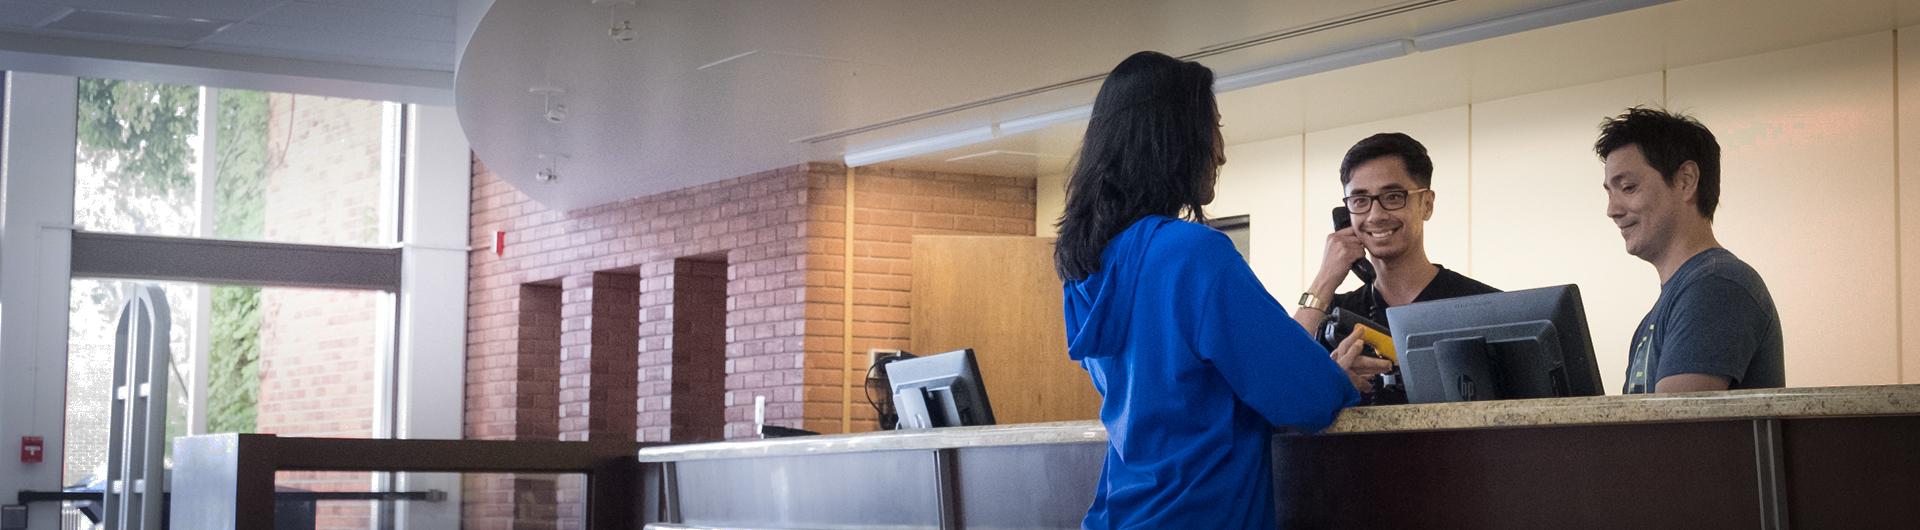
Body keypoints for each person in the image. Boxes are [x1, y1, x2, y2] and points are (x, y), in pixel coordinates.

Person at [1056, 51, 1369, 530]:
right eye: (1213, 127)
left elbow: (1202, 387)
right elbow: (1303, 398)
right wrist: (1337, 381)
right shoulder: (1193, 253)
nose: (1220, 150)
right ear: (1173, 138)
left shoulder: (1090, 266)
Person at [1291, 133, 1499, 403]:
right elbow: (1277, 381)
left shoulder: (1484, 307)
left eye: (1392, 196)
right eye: (1360, 200)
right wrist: (1324, 280)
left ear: (1427, 204)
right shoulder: (1332, 317)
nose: (1375, 215)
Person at [1595, 107, 1784, 393]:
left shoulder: (1716, 286)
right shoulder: (1676, 299)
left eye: (1629, 187)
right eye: (1610, 192)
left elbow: (1676, 433)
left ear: (1686, 181)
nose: (1612, 210)